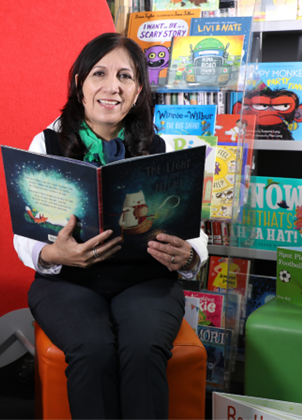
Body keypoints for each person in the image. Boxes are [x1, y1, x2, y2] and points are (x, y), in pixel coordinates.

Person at [14, 32, 208, 420]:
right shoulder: (46, 143)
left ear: (137, 91)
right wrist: (52, 253)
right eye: (99, 73)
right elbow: (25, 233)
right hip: (68, 281)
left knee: (142, 349)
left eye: (125, 76)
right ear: (79, 83)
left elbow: (192, 232)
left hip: (145, 279)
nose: (112, 87)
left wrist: (189, 256)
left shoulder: (161, 146)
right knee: (92, 349)